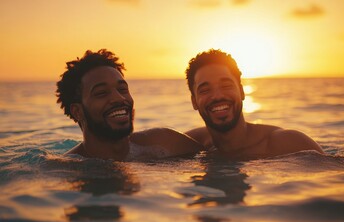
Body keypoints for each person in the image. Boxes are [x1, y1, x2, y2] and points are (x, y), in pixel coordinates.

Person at [56, 49, 202, 160]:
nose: (119, 98)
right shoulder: (66, 171)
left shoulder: (164, 143)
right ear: (77, 111)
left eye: (122, 89)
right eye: (101, 93)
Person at [185, 49, 324, 159]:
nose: (218, 96)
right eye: (205, 90)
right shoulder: (192, 144)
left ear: (242, 92)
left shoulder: (288, 143)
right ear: (194, 102)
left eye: (226, 86)